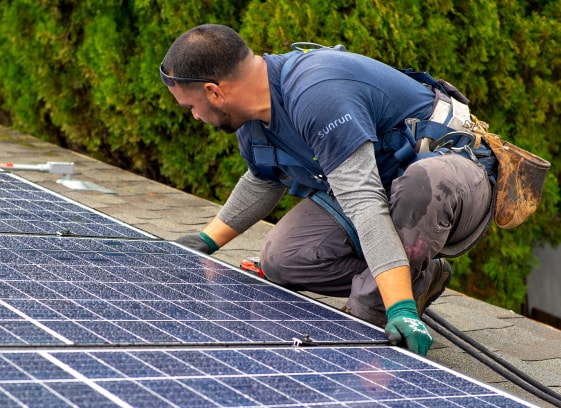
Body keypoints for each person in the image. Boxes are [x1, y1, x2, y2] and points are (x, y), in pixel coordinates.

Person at [159, 24, 495, 356]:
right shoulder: (251, 117)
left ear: (215, 91)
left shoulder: (315, 94)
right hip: (382, 180)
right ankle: (413, 278)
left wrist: (400, 309)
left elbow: (364, 202)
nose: (195, 117)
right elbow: (263, 177)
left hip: (456, 172)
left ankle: (378, 311)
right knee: (281, 259)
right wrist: (204, 242)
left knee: (422, 183)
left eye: (191, 107)